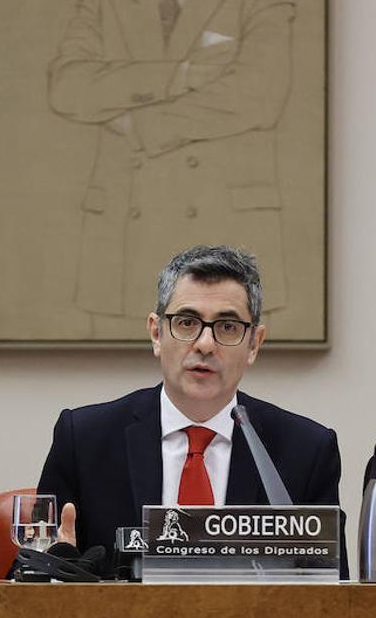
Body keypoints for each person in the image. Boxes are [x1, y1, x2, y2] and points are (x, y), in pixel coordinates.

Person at [37, 245, 346, 574]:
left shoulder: (306, 451)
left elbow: (334, 602)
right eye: (187, 322)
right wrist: (55, 569)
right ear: (157, 333)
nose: (205, 344)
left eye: (227, 327)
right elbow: (27, 579)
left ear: (254, 343)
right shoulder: (84, 440)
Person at [47, 0, 294, 337]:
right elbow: (68, 86)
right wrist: (180, 74)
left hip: (224, 225)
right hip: (123, 244)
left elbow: (259, 93)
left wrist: (143, 125)